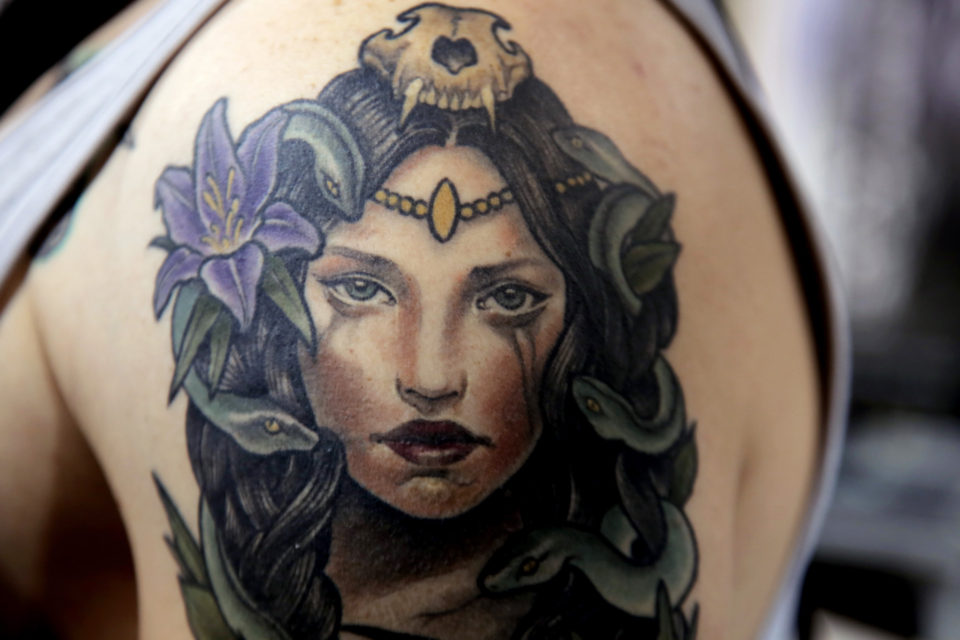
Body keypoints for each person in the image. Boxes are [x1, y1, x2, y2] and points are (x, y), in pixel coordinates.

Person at [0, 1, 844, 639]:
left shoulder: (278, 61)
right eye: (363, 291)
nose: (431, 378)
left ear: (585, 320)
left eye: (505, 299)